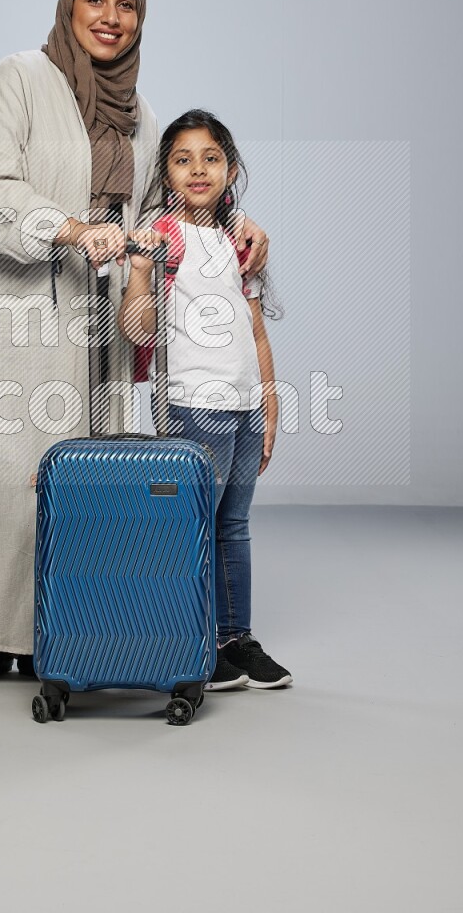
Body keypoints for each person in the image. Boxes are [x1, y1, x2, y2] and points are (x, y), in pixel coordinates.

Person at [0, 0, 271, 688]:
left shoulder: (142, 117)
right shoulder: (17, 80)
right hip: (0, 304)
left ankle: (54, 628)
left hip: (89, 312)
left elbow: (163, 216)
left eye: (127, 4)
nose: (111, 18)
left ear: (142, 19)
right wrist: (71, 228)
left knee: (69, 474)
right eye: (96, 0)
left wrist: (239, 224)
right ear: (70, 5)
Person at [119, 110, 292, 690]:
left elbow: (256, 328)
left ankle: (234, 638)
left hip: (244, 405)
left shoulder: (240, 240)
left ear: (231, 169)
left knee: (233, 523)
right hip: (193, 401)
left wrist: (269, 406)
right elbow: (137, 328)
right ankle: (193, 639)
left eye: (211, 158)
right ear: (166, 174)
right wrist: (140, 273)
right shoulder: (162, 235)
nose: (198, 169)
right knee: (193, 522)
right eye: (182, 159)